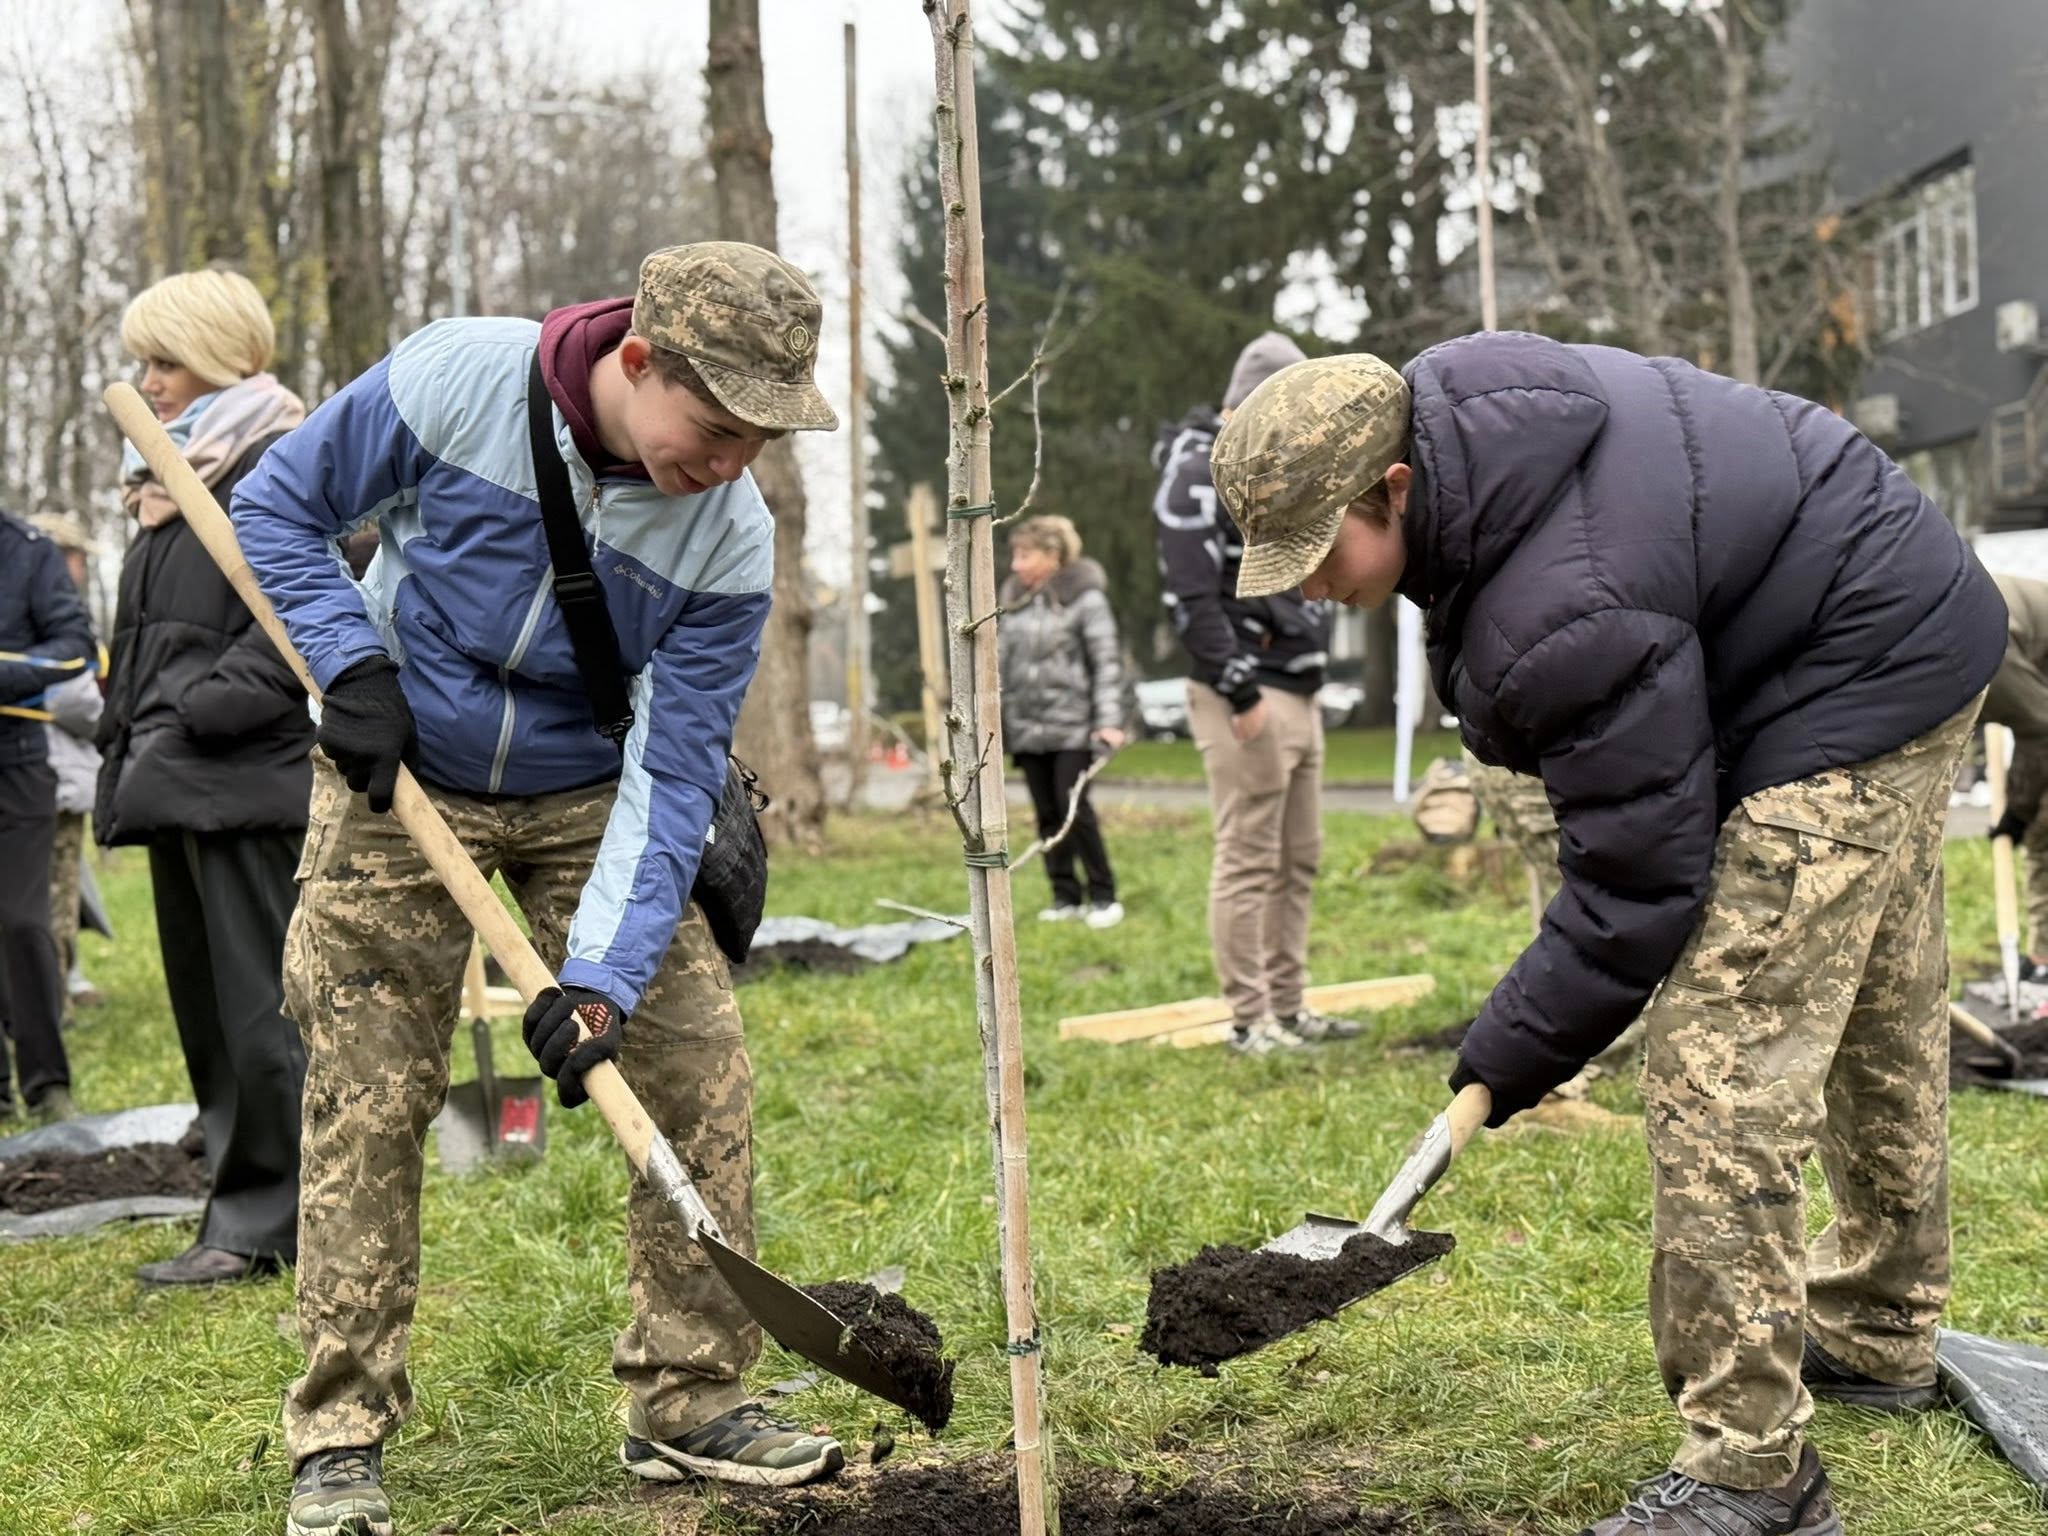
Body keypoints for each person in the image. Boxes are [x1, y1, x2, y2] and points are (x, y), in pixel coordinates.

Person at [1215, 332, 2004, 1536]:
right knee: (1872, 1007)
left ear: (1392, 487)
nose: (1301, 585)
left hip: (1858, 656)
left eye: (1314, 552)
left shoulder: (1561, 597)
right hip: (1908, 609)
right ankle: (1881, 1328)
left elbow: (1636, 892)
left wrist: (1502, 1056)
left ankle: (1751, 1473)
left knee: (1713, 1061)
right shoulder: (1470, 431)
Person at [231, 241, 845, 1535]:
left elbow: (674, 774)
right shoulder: (457, 379)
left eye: (761, 441)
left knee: (694, 1071)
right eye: (718, 426)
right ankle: (339, 1431)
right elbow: (279, 507)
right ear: (637, 364)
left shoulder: (730, 540)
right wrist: (353, 667)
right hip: (400, 769)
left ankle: (686, 1400)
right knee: (369, 1092)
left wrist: (605, 981)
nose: (732, 463)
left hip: (589, 793)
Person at [98, 269, 313, 1289]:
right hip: (177, 777)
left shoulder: (274, 461)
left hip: (241, 780)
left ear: (224, 357)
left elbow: (300, 621)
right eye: (146, 362)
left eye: (167, 361)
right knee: (206, 1014)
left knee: (257, 1017)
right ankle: (238, 1208)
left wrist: (194, 714)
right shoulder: (166, 481)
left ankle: (273, 1223)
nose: (152, 381)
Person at [1152, 332, 1354, 1055]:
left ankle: (1290, 1006)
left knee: (1299, 853)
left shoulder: (1284, 462)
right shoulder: (1196, 468)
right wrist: (1237, 687)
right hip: (1245, 687)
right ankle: (1248, 1018)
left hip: (1300, 680)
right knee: (1248, 854)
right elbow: (1189, 591)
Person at [0, 512, 92, 1122]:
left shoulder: (29, 552)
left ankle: (46, 1084)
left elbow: (75, 651)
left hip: (17, 765)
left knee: (22, 921)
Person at [999, 514, 1126, 927]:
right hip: (1026, 726)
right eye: (1014, 556)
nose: (1015, 565)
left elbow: (1106, 663)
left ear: (1052, 556)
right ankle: (1064, 896)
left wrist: (1108, 720)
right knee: (1046, 812)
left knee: (1075, 808)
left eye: (1025, 555)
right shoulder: (1012, 599)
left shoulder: (1085, 599)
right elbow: (997, 661)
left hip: (1073, 724)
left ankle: (1104, 896)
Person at [28, 513, 106, 1019]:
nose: (80, 569)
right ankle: (49, 1007)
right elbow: (80, 704)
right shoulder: (50, 617)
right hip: (51, 780)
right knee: (52, 902)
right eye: (77, 558)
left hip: (45, 781)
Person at [1978, 572, 2048, 978]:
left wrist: (2018, 813)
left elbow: (2039, 727)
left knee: (2043, 828)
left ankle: (2041, 962)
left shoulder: (1984, 642)